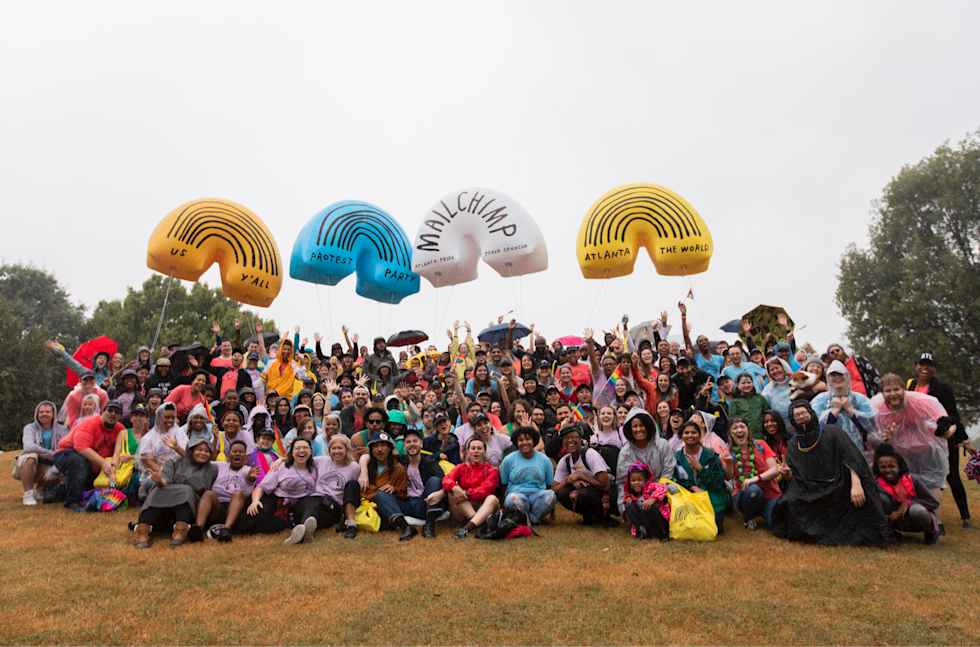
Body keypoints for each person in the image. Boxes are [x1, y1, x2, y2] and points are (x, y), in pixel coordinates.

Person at [771, 400, 895, 546]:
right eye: (796, 415)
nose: (801, 417)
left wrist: (856, 484)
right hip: (810, 490)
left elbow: (852, 459)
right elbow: (795, 476)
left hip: (839, 485)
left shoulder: (833, 432)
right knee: (788, 502)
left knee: (861, 498)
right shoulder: (794, 443)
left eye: (804, 413)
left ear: (811, 413)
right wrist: (787, 474)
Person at [869, 373, 953, 534]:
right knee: (897, 485)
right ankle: (896, 521)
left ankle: (938, 524)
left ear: (904, 389)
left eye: (896, 389)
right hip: (897, 454)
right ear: (882, 392)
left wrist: (946, 431)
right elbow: (871, 437)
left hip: (925, 450)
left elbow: (944, 424)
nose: (893, 394)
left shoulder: (920, 402)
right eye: (888, 391)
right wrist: (883, 438)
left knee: (931, 484)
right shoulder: (876, 407)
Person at [905, 352, 975, 530]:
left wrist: (963, 440)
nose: (925, 368)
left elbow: (953, 414)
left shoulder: (942, 387)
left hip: (944, 439)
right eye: (921, 364)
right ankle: (929, 517)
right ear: (916, 367)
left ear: (934, 368)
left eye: (929, 365)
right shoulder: (910, 385)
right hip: (921, 441)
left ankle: (966, 518)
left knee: (952, 477)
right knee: (923, 478)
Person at [132, 436, 218, 548]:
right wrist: (159, 480)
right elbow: (165, 482)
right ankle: (142, 530)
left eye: (207, 451)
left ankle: (181, 531)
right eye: (199, 449)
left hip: (192, 506)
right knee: (158, 489)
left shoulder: (211, 469)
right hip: (167, 501)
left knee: (186, 490)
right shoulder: (174, 462)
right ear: (191, 451)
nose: (203, 453)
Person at [371, 428, 446, 539]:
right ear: (404, 446)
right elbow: (373, 456)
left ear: (421, 444)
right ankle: (406, 528)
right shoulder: (399, 461)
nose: (412, 445)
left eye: (415, 441)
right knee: (381, 494)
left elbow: (444, 481)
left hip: (424, 503)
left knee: (434, 480)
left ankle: (429, 526)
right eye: (408, 442)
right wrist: (363, 470)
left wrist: (441, 493)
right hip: (404, 503)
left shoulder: (430, 464)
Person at [51, 400, 125, 509]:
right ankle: (73, 501)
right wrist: (103, 463)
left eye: (117, 412)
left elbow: (120, 452)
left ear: (120, 416)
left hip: (94, 463)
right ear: (102, 412)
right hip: (67, 452)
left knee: (90, 487)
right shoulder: (90, 423)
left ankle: (59, 490)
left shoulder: (121, 430)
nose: (113, 414)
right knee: (78, 461)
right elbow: (81, 448)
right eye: (110, 410)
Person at [244, 437, 318, 543]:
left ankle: (305, 531)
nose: (301, 450)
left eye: (305, 447)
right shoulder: (281, 467)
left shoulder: (317, 464)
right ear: (291, 452)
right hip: (281, 503)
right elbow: (261, 487)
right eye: (297, 448)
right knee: (265, 516)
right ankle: (232, 529)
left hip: (302, 504)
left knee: (312, 504)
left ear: (310, 451)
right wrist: (255, 501)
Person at [873, 443, 940, 546]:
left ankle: (930, 534)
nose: (887, 470)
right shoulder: (876, 485)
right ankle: (892, 532)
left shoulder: (913, 480)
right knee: (882, 497)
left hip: (914, 518)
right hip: (894, 520)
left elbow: (933, 503)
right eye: (883, 467)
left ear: (899, 468)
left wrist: (908, 502)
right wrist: (888, 517)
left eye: (892, 466)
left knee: (917, 510)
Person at [616, 407, 676, 518]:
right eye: (635, 426)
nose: (639, 429)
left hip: (661, 489)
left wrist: (655, 496)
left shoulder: (662, 445)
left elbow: (668, 471)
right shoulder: (625, 453)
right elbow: (622, 482)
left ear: (648, 426)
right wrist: (624, 506)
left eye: (642, 425)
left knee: (674, 488)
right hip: (637, 492)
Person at [552, 423, 613, 526]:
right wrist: (568, 481)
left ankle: (603, 517)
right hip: (588, 490)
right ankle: (588, 516)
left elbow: (605, 486)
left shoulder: (590, 454)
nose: (570, 441)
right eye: (566, 438)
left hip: (609, 492)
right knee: (564, 493)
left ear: (580, 439)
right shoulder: (565, 461)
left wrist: (580, 476)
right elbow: (553, 490)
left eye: (573, 437)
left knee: (584, 493)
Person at [673, 420, 728, 534]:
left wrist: (700, 469)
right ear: (681, 436)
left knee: (716, 529)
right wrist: (692, 487)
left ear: (699, 435)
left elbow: (718, 482)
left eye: (694, 432)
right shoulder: (676, 457)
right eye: (686, 433)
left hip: (711, 495)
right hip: (687, 497)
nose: (690, 435)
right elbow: (674, 480)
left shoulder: (711, 456)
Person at [726, 417, 781, 530]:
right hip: (745, 496)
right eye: (735, 428)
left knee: (778, 524)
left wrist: (755, 478)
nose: (739, 430)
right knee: (753, 490)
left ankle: (765, 511)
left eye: (742, 427)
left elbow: (774, 470)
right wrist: (728, 463)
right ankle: (749, 517)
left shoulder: (760, 445)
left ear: (748, 430)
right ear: (730, 433)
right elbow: (728, 477)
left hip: (770, 494)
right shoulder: (729, 452)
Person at [810, 360, 875, 455]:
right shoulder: (820, 400)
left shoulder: (859, 399)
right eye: (833, 375)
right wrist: (834, 412)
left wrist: (850, 410)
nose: (837, 377)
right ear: (828, 378)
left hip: (857, 450)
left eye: (840, 374)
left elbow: (870, 426)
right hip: (829, 451)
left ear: (847, 377)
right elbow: (814, 427)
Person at [443, 437, 501, 539]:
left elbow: (487, 489)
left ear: (485, 452)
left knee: (492, 498)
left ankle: (467, 528)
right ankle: (479, 522)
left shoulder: (492, 470)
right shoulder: (461, 467)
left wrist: (467, 494)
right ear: (468, 452)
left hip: (484, 508)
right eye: (473, 448)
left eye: (479, 448)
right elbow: (446, 479)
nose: (476, 451)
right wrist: (456, 489)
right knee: (451, 490)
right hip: (464, 509)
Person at [197, 438, 255, 542]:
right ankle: (198, 529)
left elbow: (249, 475)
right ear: (228, 455)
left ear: (245, 456)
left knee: (239, 494)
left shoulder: (247, 469)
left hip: (236, 511)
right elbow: (203, 459)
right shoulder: (220, 465)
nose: (237, 454)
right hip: (216, 508)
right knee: (208, 493)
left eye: (241, 452)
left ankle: (226, 530)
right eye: (234, 451)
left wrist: (251, 476)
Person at [499, 426, 556, 525]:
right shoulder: (508, 460)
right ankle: (529, 519)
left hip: (537, 497)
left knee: (551, 495)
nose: (524, 442)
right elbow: (504, 484)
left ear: (534, 440)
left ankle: (532, 520)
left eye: (528, 439)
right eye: (520, 440)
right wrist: (504, 507)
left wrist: (551, 509)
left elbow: (549, 485)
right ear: (516, 442)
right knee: (513, 500)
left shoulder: (545, 460)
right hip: (516, 495)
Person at [358, 432, 411, 537]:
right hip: (365, 506)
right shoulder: (366, 467)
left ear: (390, 448)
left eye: (383, 445)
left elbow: (403, 496)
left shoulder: (399, 469)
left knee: (381, 494)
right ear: (371, 450)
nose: (380, 449)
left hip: (384, 508)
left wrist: (394, 489)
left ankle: (405, 527)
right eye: (376, 446)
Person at [15, 401, 69, 505]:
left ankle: (42, 487)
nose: (44, 414)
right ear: (37, 414)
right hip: (30, 466)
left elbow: (64, 451)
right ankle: (28, 494)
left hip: (51, 466)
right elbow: (29, 446)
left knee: (66, 472)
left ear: (53, 414)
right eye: (41, 412)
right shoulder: (29, 428)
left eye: (47, 412)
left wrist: (54, 466)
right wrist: (53, 455)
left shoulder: (63, 430)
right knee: (30, 457)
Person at [620, 461, 671, 541]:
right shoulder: (632, 496)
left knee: (648, 507)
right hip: (647, 524)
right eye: (633, 480)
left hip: (659, 521)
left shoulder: (650, 487)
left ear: (646, 480)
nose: (636, 483)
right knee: (629, 505)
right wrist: (628, 501)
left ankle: (662, 534)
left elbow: (663, 487)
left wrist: (653, 499)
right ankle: (642, 532)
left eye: (639, 480)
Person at [728, 373, 769, 439]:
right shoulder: (734, 402)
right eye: (743, 383)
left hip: (762, 437)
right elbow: (733, 422)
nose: (746, 385)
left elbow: (768, 415)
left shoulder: (760, 398)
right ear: (738, 385)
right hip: (745, 438)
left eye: (749, 382)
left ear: (752, 383)